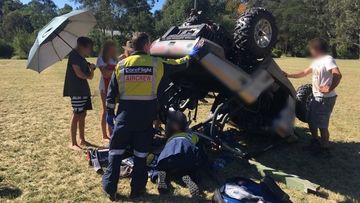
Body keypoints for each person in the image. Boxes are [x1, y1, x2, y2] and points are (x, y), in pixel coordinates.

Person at [102, 32, 202, 200]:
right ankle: (137, 190)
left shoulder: (121, 65)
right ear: (147, 46)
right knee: (141, 156)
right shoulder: (157, 63)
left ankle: (110, 188)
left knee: (115, 153)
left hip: (124, 118)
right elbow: (179, 64)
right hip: (145, 119)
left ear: (132, 47)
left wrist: (110, 115)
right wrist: (193, 53)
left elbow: (111, 95)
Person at [284, 38, 342, 153]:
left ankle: (325, 148)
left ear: (317, 49)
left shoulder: (328, 59)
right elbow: (303, 73)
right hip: (316, 97)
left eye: (311, 49)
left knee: (322, 125)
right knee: (311, 120)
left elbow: (337, 74)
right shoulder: (316, 62)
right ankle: (315, 141)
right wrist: (288, 75)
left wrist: (329, 88)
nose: (310, 51)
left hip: (325, 99)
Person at [155, 110, 202, 197]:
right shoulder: (192, 136)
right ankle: (190, 177)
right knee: (190, 167)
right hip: (187, 153)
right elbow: (199, 148)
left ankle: (161, 176)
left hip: (170, 154)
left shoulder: (169, 139)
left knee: (161, 166)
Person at [63, 37, 96, 151]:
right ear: (82, 46)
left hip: (84, 90)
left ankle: (82, 139)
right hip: (76, 90)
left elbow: (90, 77)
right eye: (89, 48)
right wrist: (88, 72)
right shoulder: (74, 56)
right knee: (77, 114)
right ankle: (73, 143)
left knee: (83, 114)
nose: (90, 50)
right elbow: (79, 74)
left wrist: (91, 69)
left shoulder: (82, 58)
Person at [97, 41, 118, 141]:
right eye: (111, 48)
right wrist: (116, 69)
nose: (113, 51)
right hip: (105, 87)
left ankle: (111, 131)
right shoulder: (101, 59)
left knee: (112, 110)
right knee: (106, 110)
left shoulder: (114, 59)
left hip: (114, 87)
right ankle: (104, 134)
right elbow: (105, 74)